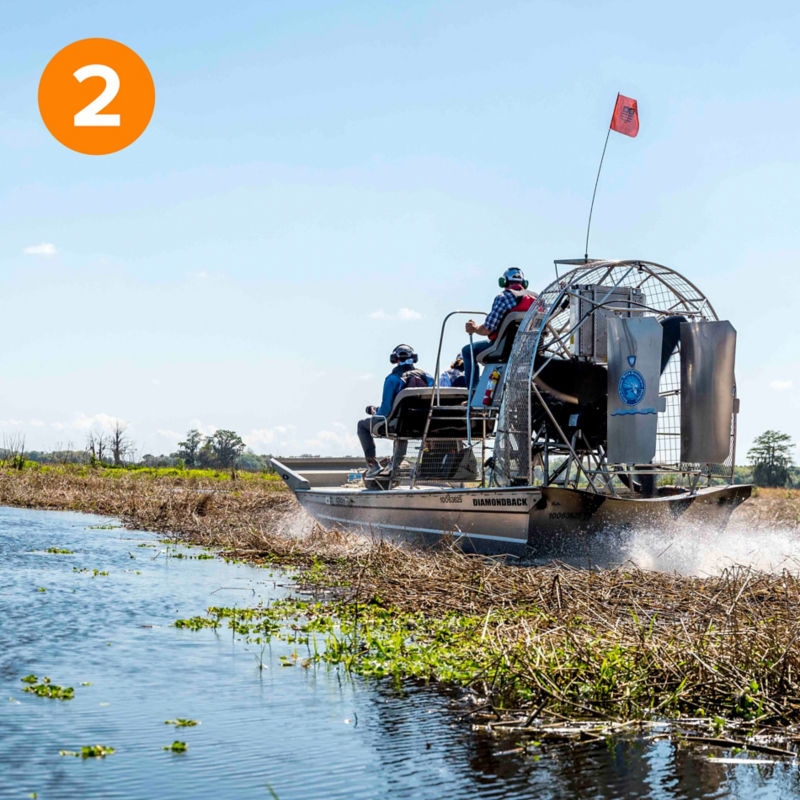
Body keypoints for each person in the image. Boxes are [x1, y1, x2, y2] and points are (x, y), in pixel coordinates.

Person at [357, 344, 433, 476]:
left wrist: (375, 412)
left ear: (395, 359)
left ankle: (372, 465)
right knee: (403, 424)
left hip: (399, 425)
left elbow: (385, 410)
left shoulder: (392, 379)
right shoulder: (428, 378)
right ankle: (395, 464)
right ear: (414, 358)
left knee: (362, 425)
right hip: (423, 425)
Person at [462, 267, 536, 393]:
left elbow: (487, 329)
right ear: (524, 283)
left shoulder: (503, 298)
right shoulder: (537, 299)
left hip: (503, 350)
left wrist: (474, 328)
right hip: (530, 351)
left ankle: (473, 391)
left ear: (504, 282)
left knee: (468, 351)